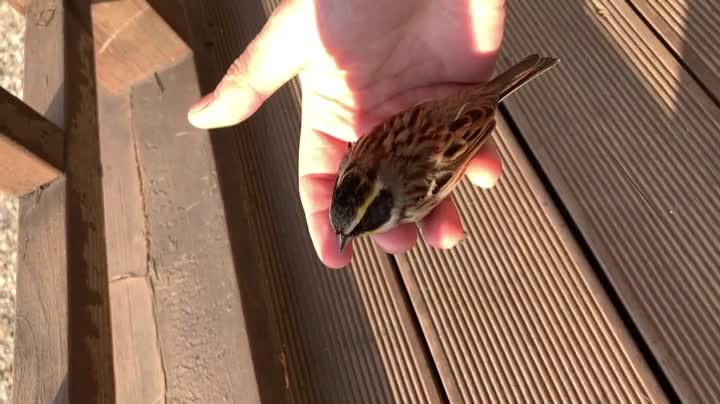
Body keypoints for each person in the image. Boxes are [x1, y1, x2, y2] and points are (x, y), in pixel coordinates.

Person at [187, 0, 505, 269]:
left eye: (361, 225)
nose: (347, 237)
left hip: (454, 121)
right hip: (438, 106)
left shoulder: (413, 197)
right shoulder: (359, 155)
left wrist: (480, 111)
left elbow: (449, 160)